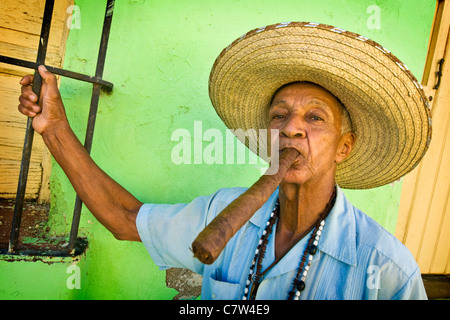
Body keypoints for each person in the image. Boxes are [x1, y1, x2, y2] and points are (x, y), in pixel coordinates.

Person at [17, 22, 431, 300]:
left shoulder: (387, 268)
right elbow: (124, 218)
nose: (291, 129)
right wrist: (54, 127)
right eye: (279, 116)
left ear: (344, 147)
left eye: (315, 117)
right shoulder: (221, 212)